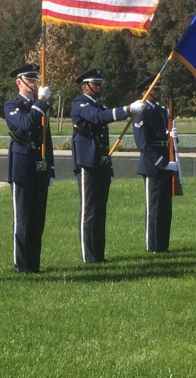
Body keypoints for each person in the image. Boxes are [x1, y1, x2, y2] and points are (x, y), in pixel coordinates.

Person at [71, 68, 144, 263]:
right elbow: (99, 117)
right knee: (89, 210)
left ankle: (99, 254)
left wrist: (128, 113)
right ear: (85, 86)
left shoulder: (97, 104)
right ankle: (88, 255)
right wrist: (128, 109)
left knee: (100, 210)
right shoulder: (80, 103)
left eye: (100, 84)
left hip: (101, 161)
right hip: (87, 162)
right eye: (95, 84)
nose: (99, 87)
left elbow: (104, 116)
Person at [4, 64, 55, 273]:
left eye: (35, 80)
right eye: (30, 80)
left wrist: (50, 167)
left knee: (37, 221)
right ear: (19, 82)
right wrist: (41, 102)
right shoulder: (11, 104)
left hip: (39, 168)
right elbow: (25, 123)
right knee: (23, 220)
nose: (34, 84)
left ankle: (34, 263)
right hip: (22, 169)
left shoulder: (39, 105)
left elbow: (46, 138)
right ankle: (22, 265)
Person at [132, 74, 178, 253]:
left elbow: (166, 136)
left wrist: (174, 136)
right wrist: (162, 163)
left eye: (158, 89)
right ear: (145, 91)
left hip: (166, 162)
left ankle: (163, 245)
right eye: (154, 89)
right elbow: (143, 144)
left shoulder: (160, 111)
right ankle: (153, 246)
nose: (158, 92)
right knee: (154, 208)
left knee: (165, 208)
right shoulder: (142, 111)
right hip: (153, 166)